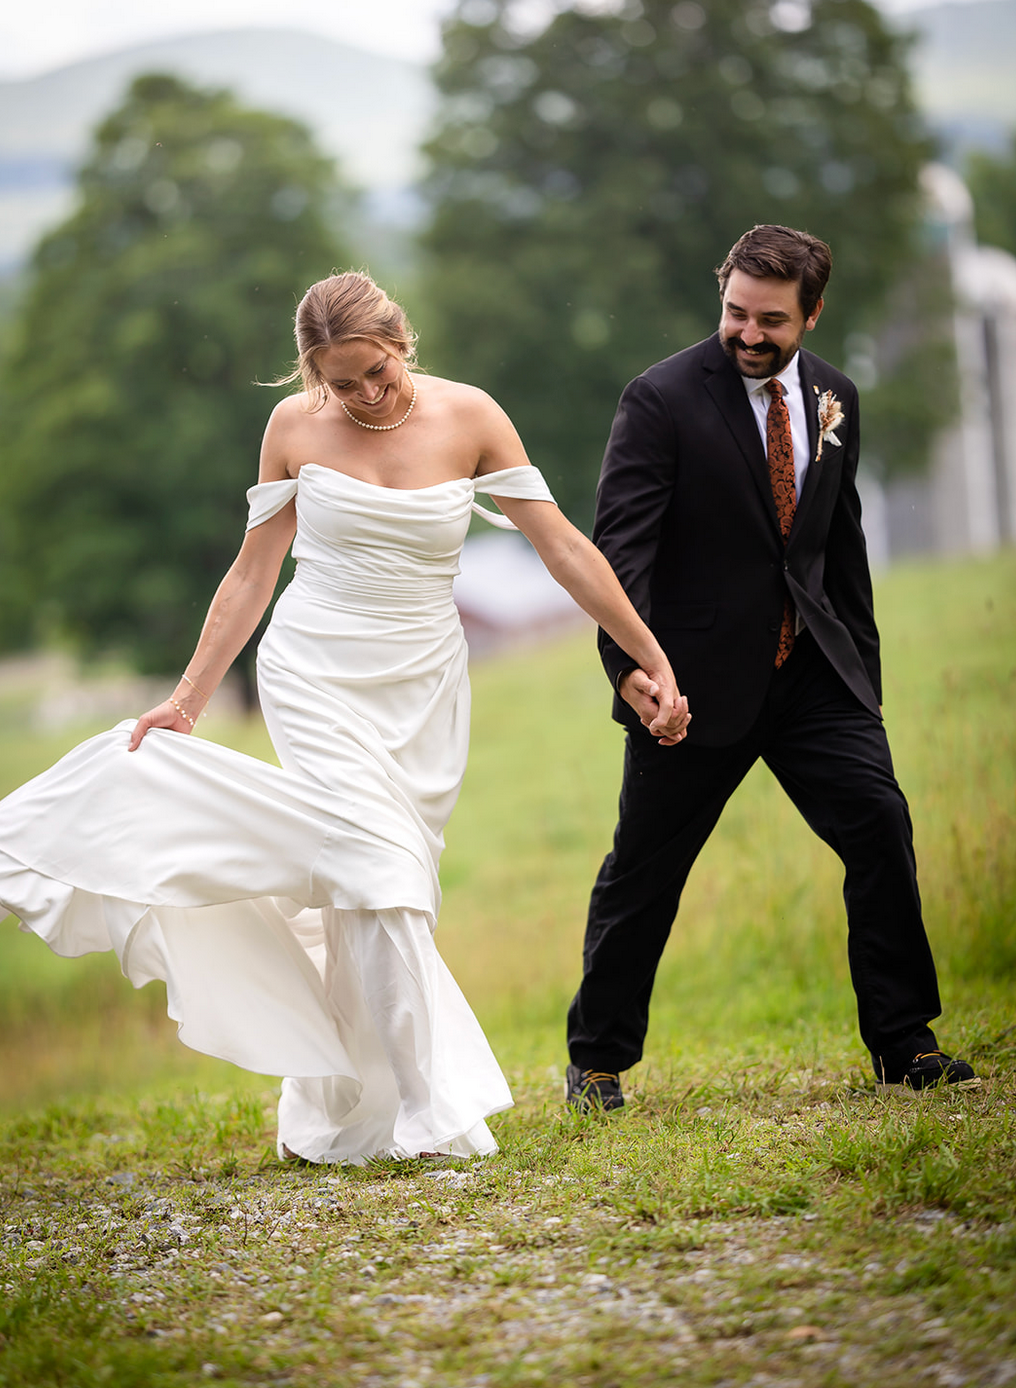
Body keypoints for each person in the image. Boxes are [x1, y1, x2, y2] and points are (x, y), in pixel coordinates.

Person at [0, 270, 688, 1164]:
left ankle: (340, 1111)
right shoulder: (291, 428)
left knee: (376, 892)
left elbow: (562, 547)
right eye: (339, 381)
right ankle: (433, 1118)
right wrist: (188, 698)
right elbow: (253, 572)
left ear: (401, 341)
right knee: (379, 871)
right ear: (310, 373)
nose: (364, 393)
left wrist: (650, 652)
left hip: (424, 689)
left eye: (376, 371)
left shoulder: (473, 416)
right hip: (314, 671)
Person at [565, 225, 977, 1112]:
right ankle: (596, 1063)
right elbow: (619, 553)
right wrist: (631, 670)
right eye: (736, 313)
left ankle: (906, 1046)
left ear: (812, 314)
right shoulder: (660, 399)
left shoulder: (837, 396)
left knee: (877, 822)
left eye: (772, 320)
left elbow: (839, 546)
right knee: (644, 869)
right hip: (691, 684)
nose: (749, 334)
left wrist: (860, 673)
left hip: (815, 679)